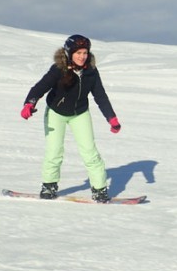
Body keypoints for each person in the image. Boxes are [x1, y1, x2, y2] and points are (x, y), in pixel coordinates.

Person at [20, 34, 121, 202]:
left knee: (90, 152)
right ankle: (49, 185)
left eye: (85, 52)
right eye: (78, 53)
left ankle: (99, 189)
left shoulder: (91, 72)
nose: (82, 56)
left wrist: (111, 118)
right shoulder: (59, 69)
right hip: (56, 113)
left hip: (79, 114)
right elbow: (40, 87)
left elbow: (100, 96)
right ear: (69, 53)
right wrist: (29, 103)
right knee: (54, 151)